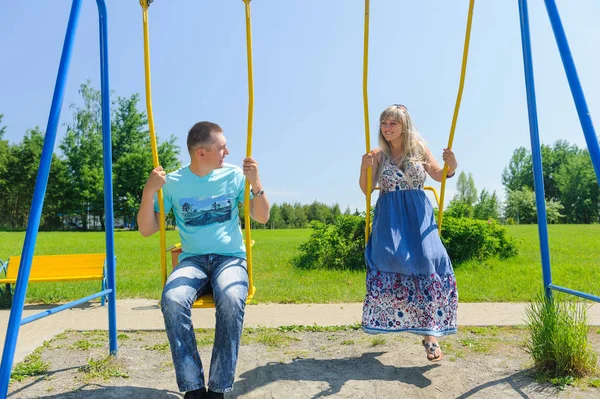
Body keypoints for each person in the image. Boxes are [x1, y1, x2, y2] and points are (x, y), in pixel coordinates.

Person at [137, 121, 270, 398]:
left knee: (232, 299)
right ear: (201, 153)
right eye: (221, 148)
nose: (227, 152)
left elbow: (261, 217)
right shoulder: (172, 183)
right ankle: (193, 388)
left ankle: (218, 388)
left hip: (229, 259)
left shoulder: (234, 176)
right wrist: (149, 192)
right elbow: (147, 229)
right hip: (193, 262)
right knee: (172, 300)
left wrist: (256, 184)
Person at [359, 104, 458, 362]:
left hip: (418, 214)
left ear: (404, 126)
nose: (387, 128)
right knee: (392, 259)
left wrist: (451, 167)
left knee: (430, 260)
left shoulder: (419, 149)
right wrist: (365, 167)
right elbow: (366, 189)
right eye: (384, 123)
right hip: (390, 216)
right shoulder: (377, 155)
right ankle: (399, 315)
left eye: (393, 123)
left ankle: (430, 334)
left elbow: (438, 175)